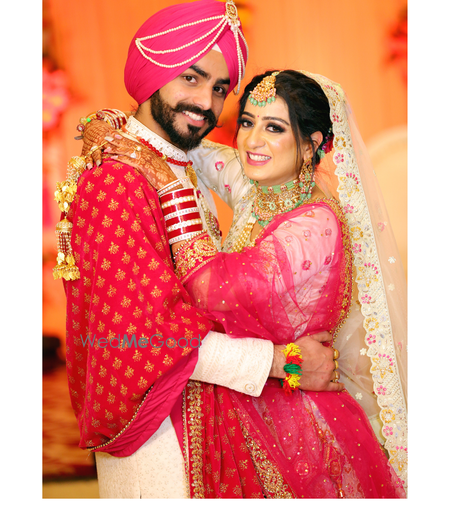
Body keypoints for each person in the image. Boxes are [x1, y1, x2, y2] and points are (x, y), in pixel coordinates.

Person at [54, 0, 343, 499]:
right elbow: (143, 335)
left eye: (220, 88)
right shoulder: (118, 177)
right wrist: (287, 364)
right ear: (153, 70)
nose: (206, 103)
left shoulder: (170, 160)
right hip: (159, 437)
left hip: (210, 410)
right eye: (192, 77)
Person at [85, 69, 407, 498]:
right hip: (243, 395)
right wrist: (111, 125)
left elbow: (210, 289)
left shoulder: (316, 225)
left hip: (300, 419)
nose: (252, 141)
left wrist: (168, 188)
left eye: (274, 128)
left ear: (311, 144)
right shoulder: (253, 186)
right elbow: (178, 142)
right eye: (248, 122)